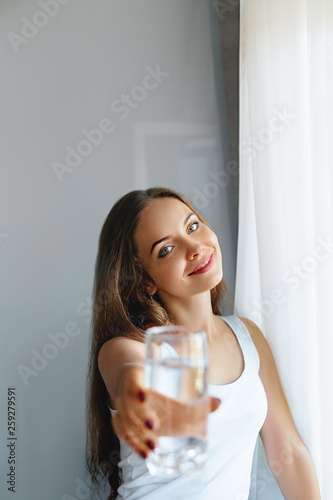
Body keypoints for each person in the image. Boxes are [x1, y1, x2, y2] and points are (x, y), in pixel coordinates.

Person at [86, 187, 321, 500]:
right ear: (146, 280)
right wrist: (137, 392)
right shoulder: (132, 346)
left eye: (192, 226)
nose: (194, 247)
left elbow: (288, 451)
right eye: (166, 250)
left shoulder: (248, 337)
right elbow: (129, 369)